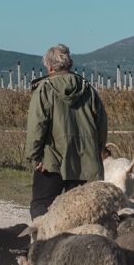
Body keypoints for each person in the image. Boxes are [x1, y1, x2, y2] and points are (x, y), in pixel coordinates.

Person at [25, 43, 108, 219]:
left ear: (48, 66)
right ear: (70, 65)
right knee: (79, 211)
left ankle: (45, 243)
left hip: (51, 160)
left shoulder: (44, 89)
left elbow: (36, 127)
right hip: (84, 161)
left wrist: (34, 157)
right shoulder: (87, 89)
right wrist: (95, 152)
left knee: (42, 205)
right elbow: (101, 124)